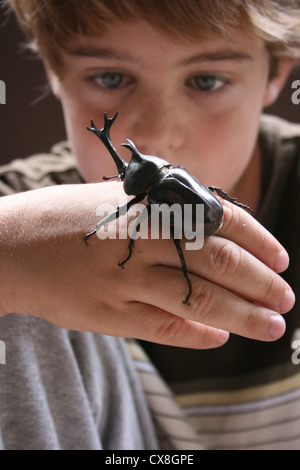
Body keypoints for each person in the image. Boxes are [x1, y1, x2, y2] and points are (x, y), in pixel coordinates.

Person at [0, 0, 299, 450]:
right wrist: (11, 248)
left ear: (277, 73)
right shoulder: (22, 196)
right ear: (55, 73)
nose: (160, 134)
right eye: (110, 77)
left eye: (206, 80)